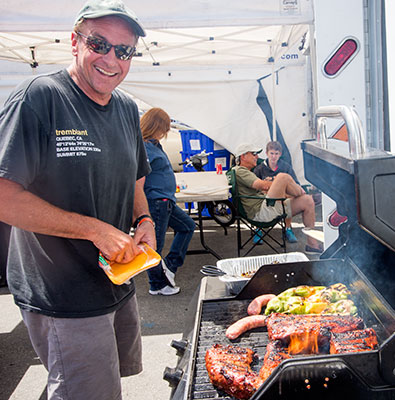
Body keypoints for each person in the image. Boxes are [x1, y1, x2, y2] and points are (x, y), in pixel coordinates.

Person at [0, 1, 156, 399]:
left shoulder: (124, 107)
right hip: (61, 292)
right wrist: (95, 230)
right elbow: (4, 196)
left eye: (124, 51)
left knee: (94, 383)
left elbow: (136, 180)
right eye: (99, 44)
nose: (111, 59)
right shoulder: (39, 98)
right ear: (74, 42)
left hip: (116, 279)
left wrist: (145, 222)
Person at [140, 108, 195, 296]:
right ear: (156, 125)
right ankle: (157, 284)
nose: (166, 133)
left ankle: (169, 267)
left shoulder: (153, 145)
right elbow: (138, 177)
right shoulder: (144, 147)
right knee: (154, 244)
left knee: (187, 226)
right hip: (156, 200)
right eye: (165, 128)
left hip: (165, 200)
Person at [234, 143, 323, 254]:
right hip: (261, 212)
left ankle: (312, 245)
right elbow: (263, 186)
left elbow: (264, 188)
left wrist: (280, 186)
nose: (257, 156)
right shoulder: (240, 171)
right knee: (282, 177)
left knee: (308, 201)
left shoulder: (248, 171)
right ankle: (301, 191)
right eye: (253, 154)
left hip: (269, 205)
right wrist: (279, 183)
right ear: (243, 156)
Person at [254, 141, 300, 243]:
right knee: (258, 201)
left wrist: (287, 194)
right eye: (271, 153)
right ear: (266, 153)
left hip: (282, 200)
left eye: (276, 153)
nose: (274, 156)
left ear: (280, 154)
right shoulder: (260, 169)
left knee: (289, 200)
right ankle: (258, 229)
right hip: (265, 200)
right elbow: (255, 188)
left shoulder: (286, 167)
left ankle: (288, 229)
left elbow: (296, 184)